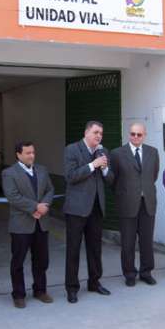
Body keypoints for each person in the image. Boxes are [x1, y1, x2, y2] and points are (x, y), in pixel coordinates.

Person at [63, 120, 114, 303]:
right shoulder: (72, 149)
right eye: (95, 132)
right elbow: (70, 176)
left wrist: (105, 168)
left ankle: (94, 282)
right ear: (86, 133)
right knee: (73, 249)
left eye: (101, 133)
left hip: (96, 208)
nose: (98, 136)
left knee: (95, 249)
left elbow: (110, 180)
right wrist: (93, 165)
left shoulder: (103, 152)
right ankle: (72, 287)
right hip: (77, 209)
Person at [2, 142, 55, 308]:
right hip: (21, 224)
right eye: (27, 153)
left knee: (41, 260)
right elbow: (12, 196)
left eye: (33, 152)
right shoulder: (9, 173)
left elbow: (50, 190)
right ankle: (18, 294)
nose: (31, 156)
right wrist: (34, 207)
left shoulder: (42, 170)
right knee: (18, 261)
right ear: (18, 155)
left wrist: (44, 205)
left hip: (41, 223)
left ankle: (40, 290)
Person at [110, 123, 159, 287]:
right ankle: (129, 274)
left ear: (144, 135)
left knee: (146, 241)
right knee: (128, 242)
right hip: (127, 204)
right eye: (133, 134)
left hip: (147, 203)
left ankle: (146, 272)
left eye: (139, 134)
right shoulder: (117, 154)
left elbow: (153, 175)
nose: (135, 137)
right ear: (128, 135)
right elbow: (113, 179)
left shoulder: (153, 152)